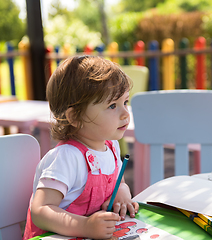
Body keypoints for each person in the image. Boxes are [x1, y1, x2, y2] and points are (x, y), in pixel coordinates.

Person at [23, 55, 139, 240]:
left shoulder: (111, 147)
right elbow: (40, 210)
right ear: (75, 117)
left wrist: (122, 192)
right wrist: (85, 226)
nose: (125, 113)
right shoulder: (67, 157)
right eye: (112, 106)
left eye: (125, 102)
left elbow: (120, 181)